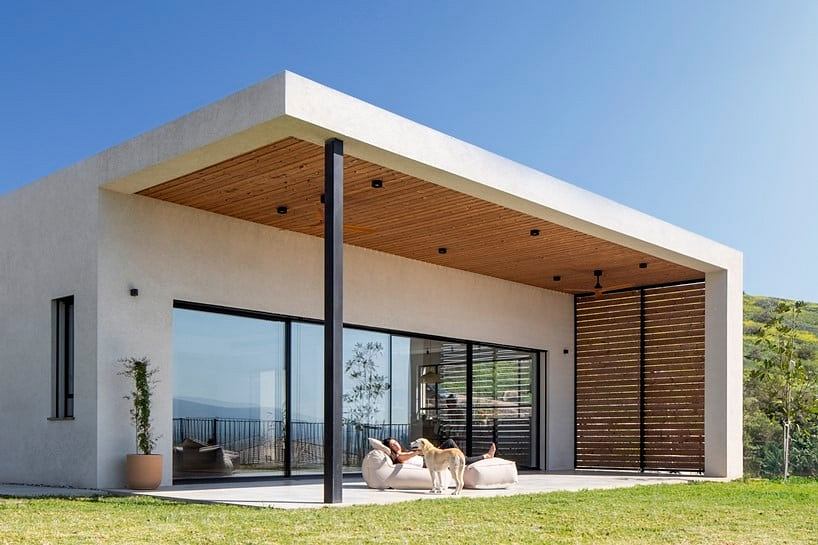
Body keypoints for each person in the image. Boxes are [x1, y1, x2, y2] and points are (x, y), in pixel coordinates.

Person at [382, 437, 496, 466]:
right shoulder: (399, 456)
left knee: (450, 443)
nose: (396, 444)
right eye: (392, 445)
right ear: (390, 448)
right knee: (462, 458)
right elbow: (404, 458)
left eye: (395, 442)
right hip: (427, 462)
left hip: (429, 457)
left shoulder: (404, 451)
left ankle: (465, 457)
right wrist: (417, 452)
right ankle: (486, 456)